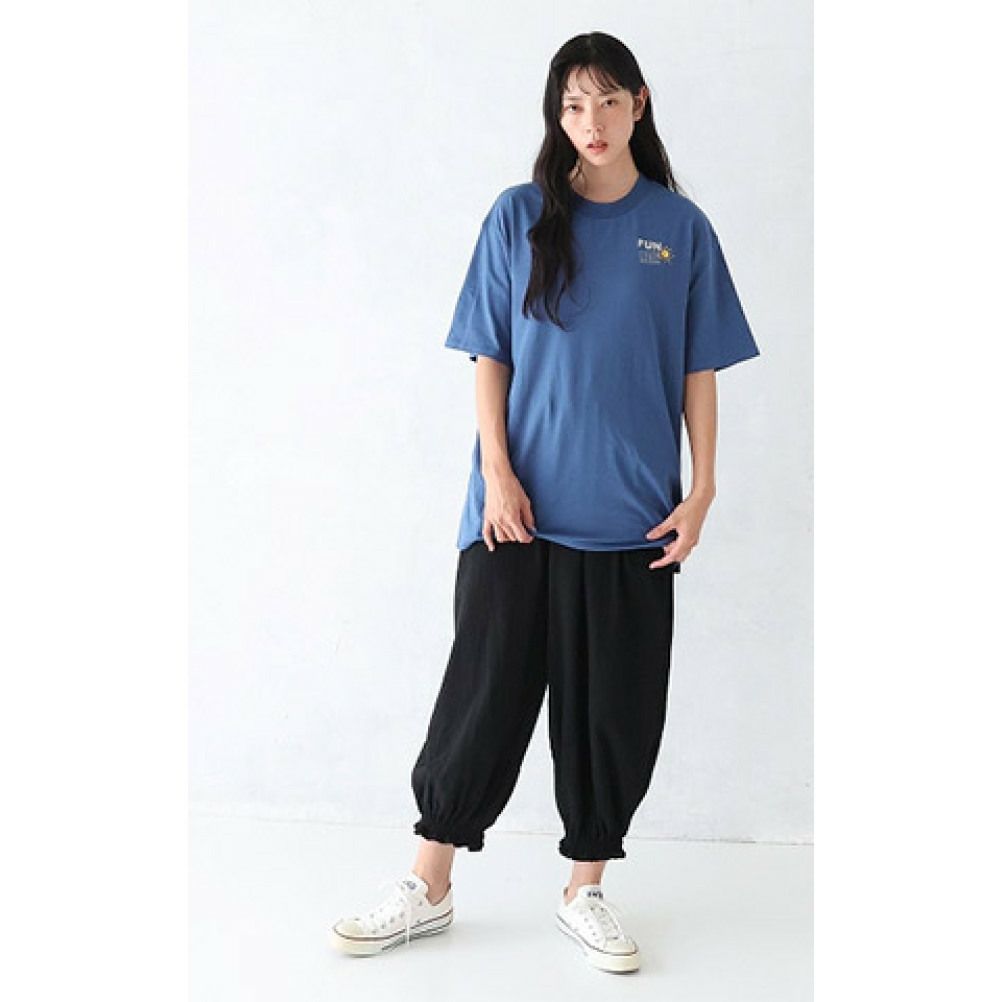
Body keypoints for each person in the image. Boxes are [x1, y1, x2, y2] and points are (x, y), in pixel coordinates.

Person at [332, 31, 760, 973]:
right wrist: (497, 470)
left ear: (639, 104)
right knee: (481, 697)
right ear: (555, 114)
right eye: (572, 104)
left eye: (607, 101)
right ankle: (430, 883)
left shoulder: (680, 229)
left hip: (634, 518)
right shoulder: (519, 216)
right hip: (514, 512)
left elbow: (699, 370)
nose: (590, 121)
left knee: (612, 712)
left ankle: (586, 890)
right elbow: (490, 352)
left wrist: (703, 490)